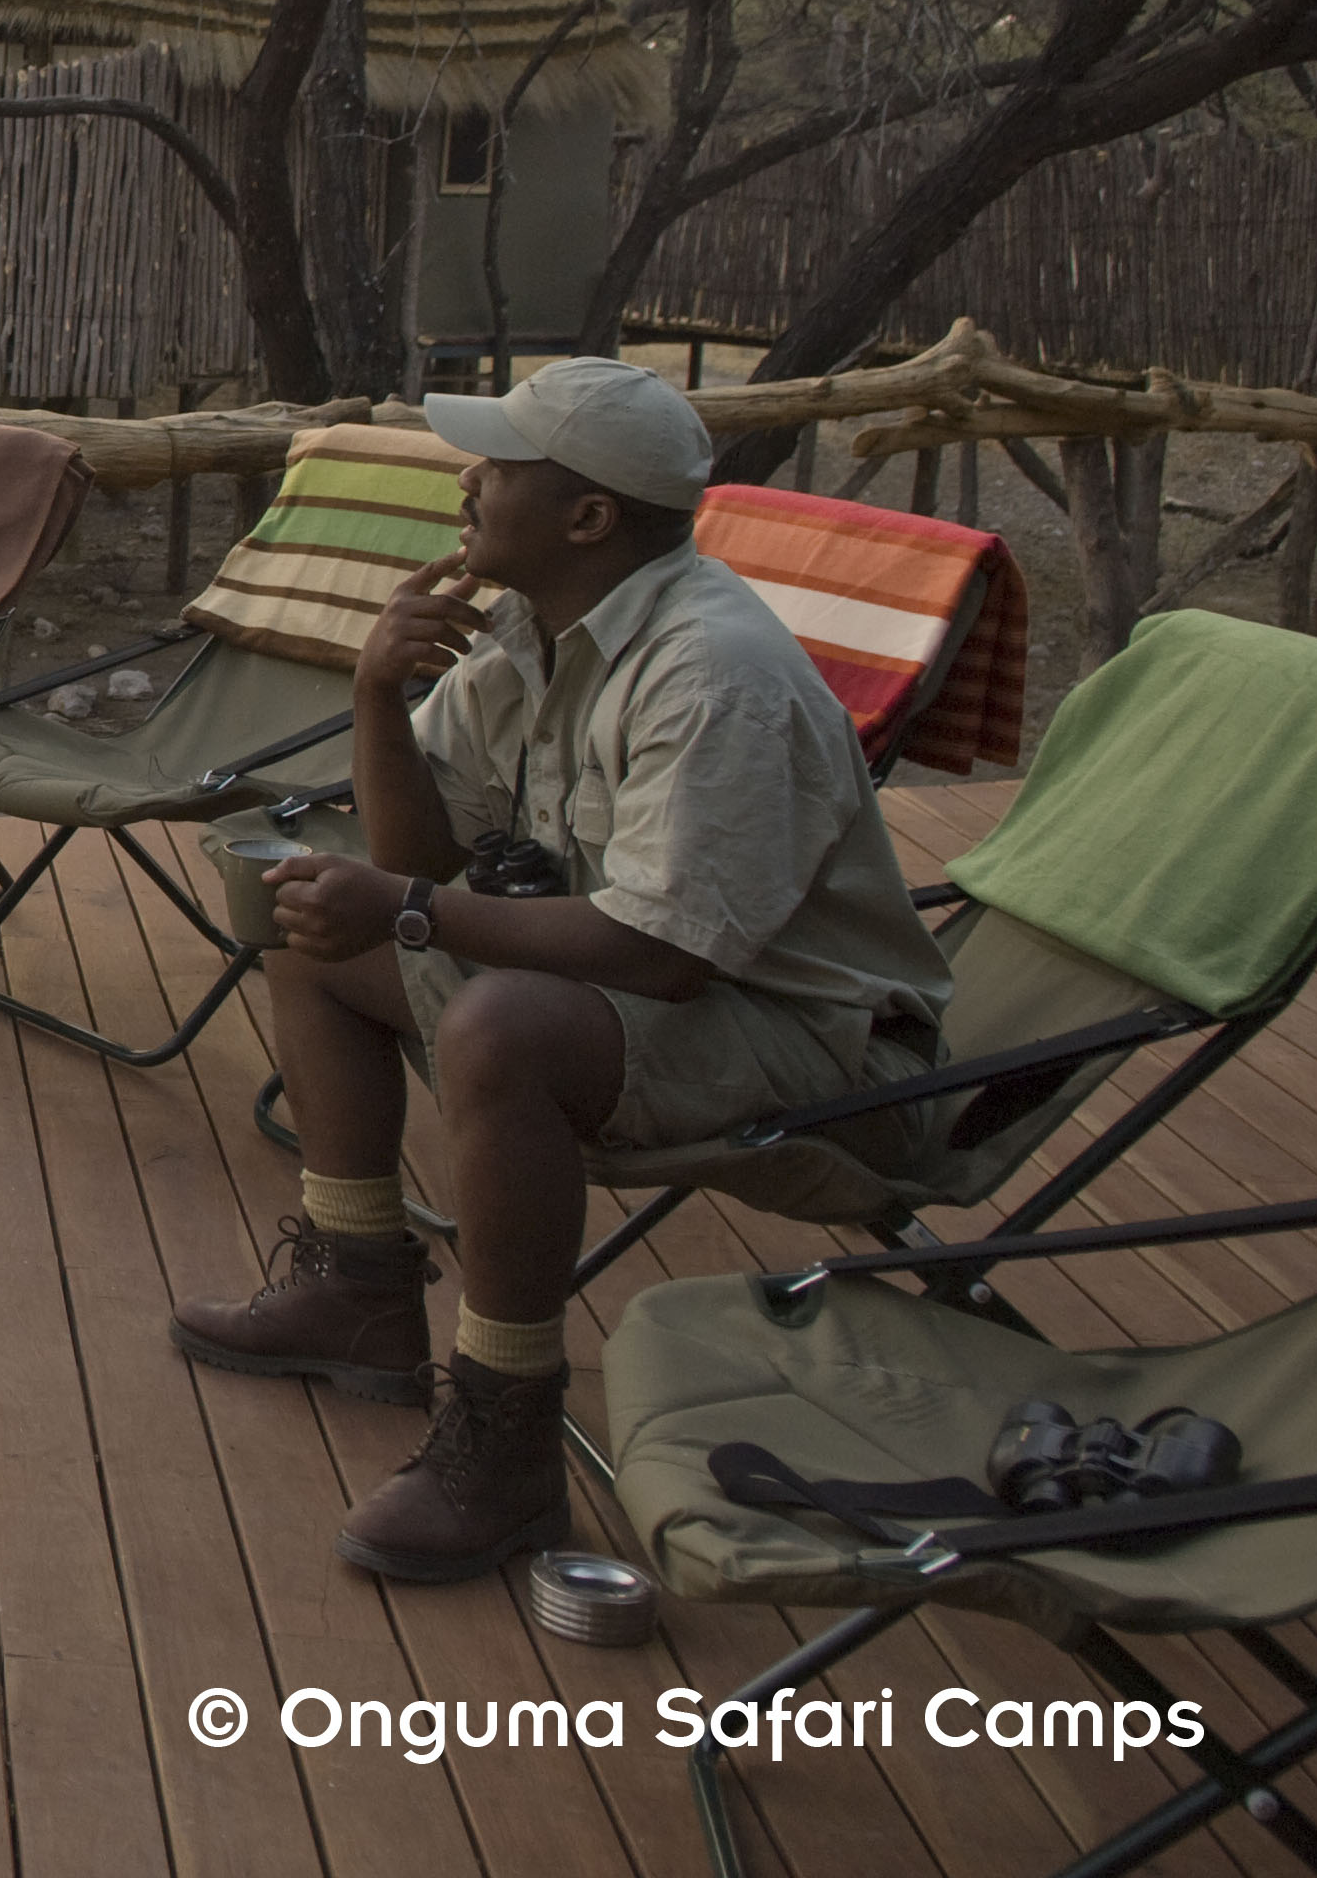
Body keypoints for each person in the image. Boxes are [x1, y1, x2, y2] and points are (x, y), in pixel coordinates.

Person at [170, 357, 950, 1580]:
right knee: (316, 930)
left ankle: (507, 1434)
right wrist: (378, 690)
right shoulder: (536, 630)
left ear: (587, 517)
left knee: (499, 1027)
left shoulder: (711, 674)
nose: (467, 482)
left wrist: (417, 908)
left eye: (498, 466)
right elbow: (412, 852)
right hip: (658, 989)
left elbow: (661, 953)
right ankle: (359, 1284)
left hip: (813, 1043)